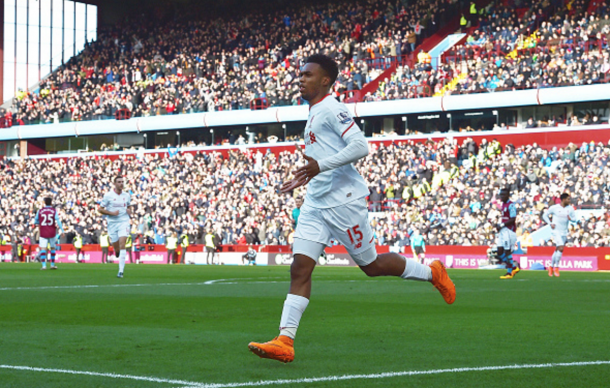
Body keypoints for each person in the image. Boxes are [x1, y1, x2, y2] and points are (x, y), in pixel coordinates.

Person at [248, 54, 455, 364]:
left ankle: (432, 272)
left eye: (307, 74)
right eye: (300, 74)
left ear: (325, 81)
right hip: (316, 204)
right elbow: (322, 158)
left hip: (344, 202)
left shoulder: (333, 108)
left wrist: (319, 166)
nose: (300, 79)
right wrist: (309, 173)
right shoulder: (315, 111)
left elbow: (361, 146)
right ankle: (285, 340)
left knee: (370, 266)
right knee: (299, 269)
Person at [98, 176, 132, 278]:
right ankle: (117, 252)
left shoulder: (127, 195)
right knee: (116, 247)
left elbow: (129, 206)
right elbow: (100, 209)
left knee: (123, 244)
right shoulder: (108, 196)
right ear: (115, 183)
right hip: (112, 223)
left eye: (122, 182)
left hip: (124, 222)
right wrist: (111, 213)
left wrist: (129, 210)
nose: (121, 183)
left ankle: (121, 271)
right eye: (119, 182)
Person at [542, 193, 576, 277]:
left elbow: (575, 219)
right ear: (563, 200)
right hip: (556, 231)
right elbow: (544, 215)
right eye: (568, 199)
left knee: (557, 250)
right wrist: (550, 223)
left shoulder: (570, 209)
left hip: (564, 231)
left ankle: (551, 266)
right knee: (561, 247)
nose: (569, 200)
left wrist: (570, 219)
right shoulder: (554, 208)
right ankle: (556, 267)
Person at [34, 197, 65, 270]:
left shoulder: (40, 211)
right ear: (51, 203)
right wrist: (62, 230)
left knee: (43, 249)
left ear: (44, 203)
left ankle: (44, 265)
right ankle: (52, 264)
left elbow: (35, 221)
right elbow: (58, 221)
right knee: (52, 248)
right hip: (52, 231)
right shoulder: (54, 211)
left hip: (43, 231)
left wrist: (39, 224)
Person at [496, 188, 520, 279]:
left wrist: (502, 225)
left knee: (507, 251)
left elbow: (513, 219)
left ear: (507, 195)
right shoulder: (503, 204)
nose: (501, 197)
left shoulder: (511, 205)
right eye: (501, 195)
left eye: (503, 195)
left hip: (509, 230)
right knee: (499, 251)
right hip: (503, 230)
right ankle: (513, 267)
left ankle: (509, 272)